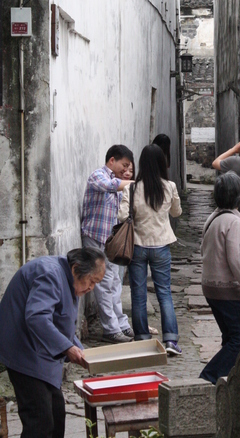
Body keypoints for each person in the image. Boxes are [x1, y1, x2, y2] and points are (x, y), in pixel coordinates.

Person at [0, 247, 106, 438]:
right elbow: (37, 318)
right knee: (40, 421)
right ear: (76, 268)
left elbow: (60, 322)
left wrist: (80, 350)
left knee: (57, 415)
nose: (92, 288)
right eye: (92, 281)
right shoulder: (50, 274)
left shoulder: (68, 278)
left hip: (41, 353)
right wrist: (68, 347)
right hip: (24, 352)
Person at [118, 143, 182, 355]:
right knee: (164, 293)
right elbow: (176, 213)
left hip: (137, 245)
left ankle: (142, 338)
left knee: (138, 294)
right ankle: (171, 340)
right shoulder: (170, 186)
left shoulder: (132, 188)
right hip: (161, 245)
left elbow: (121, 217)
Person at [81, 144, 135, 343]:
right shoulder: (98, 176)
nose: (126, 170)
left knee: (114, 283)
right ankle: (111, 329)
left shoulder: (120, 183)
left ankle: (121, 323)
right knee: (103, 284)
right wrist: (135, 184)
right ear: (112, 160)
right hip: (94, 237)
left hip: (110, 242)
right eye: (124, 164)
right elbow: (108, 186)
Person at [199, 171, 240, 384]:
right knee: (239, 340)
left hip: (210, 287)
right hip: (227, 289)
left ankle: (229, 379)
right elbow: (236, 260)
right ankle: (208, 377)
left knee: (229, 338)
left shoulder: (214, 217)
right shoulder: (234, 223)